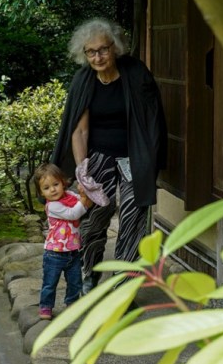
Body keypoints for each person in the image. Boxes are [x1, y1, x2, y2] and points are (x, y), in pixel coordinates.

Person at [50, 18, 167, 293]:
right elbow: (78, 131)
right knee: (94, 218)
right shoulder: (84, 81)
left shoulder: (136, 74)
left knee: (132, 220)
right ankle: (90, 274)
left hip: (133, 157)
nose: (98, 56)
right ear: (84, 53)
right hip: (98, 155)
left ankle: (124, 287)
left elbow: (152, 120)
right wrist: (82, 172)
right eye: (91, 52)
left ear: (115, 48)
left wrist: (151, 160)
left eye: (103, 49)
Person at [34, 163, 93, 320]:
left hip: (73, 251)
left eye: (56, 184)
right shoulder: (53, 206)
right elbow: (74, 213)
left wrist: (85, 196)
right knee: (50, 283)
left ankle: (72, 303)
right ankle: (46, 306)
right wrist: (84, 199)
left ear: (63, 182)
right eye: (46, 188)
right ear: (41, 192)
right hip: (54, 254)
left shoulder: (70, 196)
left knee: (75, 282)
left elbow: (84, 205)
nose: (52, 190)